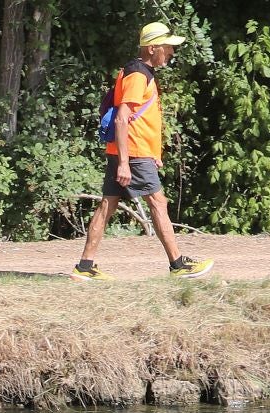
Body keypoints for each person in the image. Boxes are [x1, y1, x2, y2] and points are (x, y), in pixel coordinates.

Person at [71, 23, 212, 281]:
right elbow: (122, 119)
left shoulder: (138, 71)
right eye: (167, 46)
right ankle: (178, 264)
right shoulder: (138, 74)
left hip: (130, 151)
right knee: (159, 203)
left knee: (107, 206)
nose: (171, 52)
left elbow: (143, 117)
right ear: (152, 47)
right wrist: (126, 163)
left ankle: (84, 267)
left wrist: (153, 152)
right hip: (132, 154)